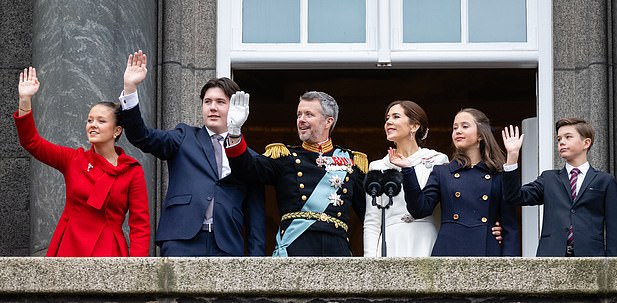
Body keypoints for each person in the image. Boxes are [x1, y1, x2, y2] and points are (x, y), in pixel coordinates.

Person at [117, 50, 265, 256]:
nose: (212, 108)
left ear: (236, 107)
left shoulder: (251, 159)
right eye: (207, 102)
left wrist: (256, 262)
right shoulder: (184, 136)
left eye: (220, 102)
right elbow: (142, 137)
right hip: (181, 240)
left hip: (227, 245)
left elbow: (256, 217)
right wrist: (130, 89)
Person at [13, 67, 150, 257]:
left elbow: (140, 225)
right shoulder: (73, 159)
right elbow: (32, 142)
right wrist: (25, 100)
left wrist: (137, 271)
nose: (93, 125)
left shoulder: (132, 170)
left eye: (101, 121)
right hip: (70, 245)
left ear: (117, 131)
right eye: (89, 120)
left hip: (109, 251)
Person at [224, 90, 367, 257]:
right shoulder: (285, 157)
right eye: (299, 114)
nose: (301, 120)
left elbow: (371, 215)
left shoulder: (351, 162)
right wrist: (234, 132)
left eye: (309, 114)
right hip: (296, 248)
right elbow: (247, 168)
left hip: (336, 250)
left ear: (328, 121)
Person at [389, 108, 520, 256]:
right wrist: (408, 170)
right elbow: (420, 209)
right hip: (449, 250)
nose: (458, 131)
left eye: (465, 126)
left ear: (481, 135)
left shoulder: (498, 175)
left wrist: (511, 269)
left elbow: (510, 228)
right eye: (455, 127)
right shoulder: (442, 172)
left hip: (487, 251)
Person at [502, 119, 617, 256]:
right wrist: (512, 157)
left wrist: (614, 266)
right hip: (551, 256)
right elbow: (514, 197)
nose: (561, 142)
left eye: (568, 137)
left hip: (591, 256)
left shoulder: (605, 181)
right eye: (559, 138)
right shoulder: (548, 178)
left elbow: (616, 227)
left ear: (586, 143)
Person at [363, 101, 449, 257]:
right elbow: (372, 219)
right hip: (390, 241)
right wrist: (369, 259)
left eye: (396, 117)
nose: (388, 122)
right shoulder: (378, 166)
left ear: (414, 126)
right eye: (387, 118)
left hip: (426, 237)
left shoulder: (438, 160)